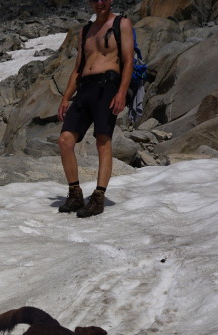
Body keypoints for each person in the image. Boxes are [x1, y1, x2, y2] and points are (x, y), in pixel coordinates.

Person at [57, 0, 134, 218]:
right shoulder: (85, 31)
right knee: (65, 140)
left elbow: (128, 61)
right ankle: (75, 193)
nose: (99, 2)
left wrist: (121, 92)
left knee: (103, 141)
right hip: (85, 89)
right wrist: (65, 98)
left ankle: (98, 197)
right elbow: (78, 68)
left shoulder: (122, 23)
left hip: (107, 87)